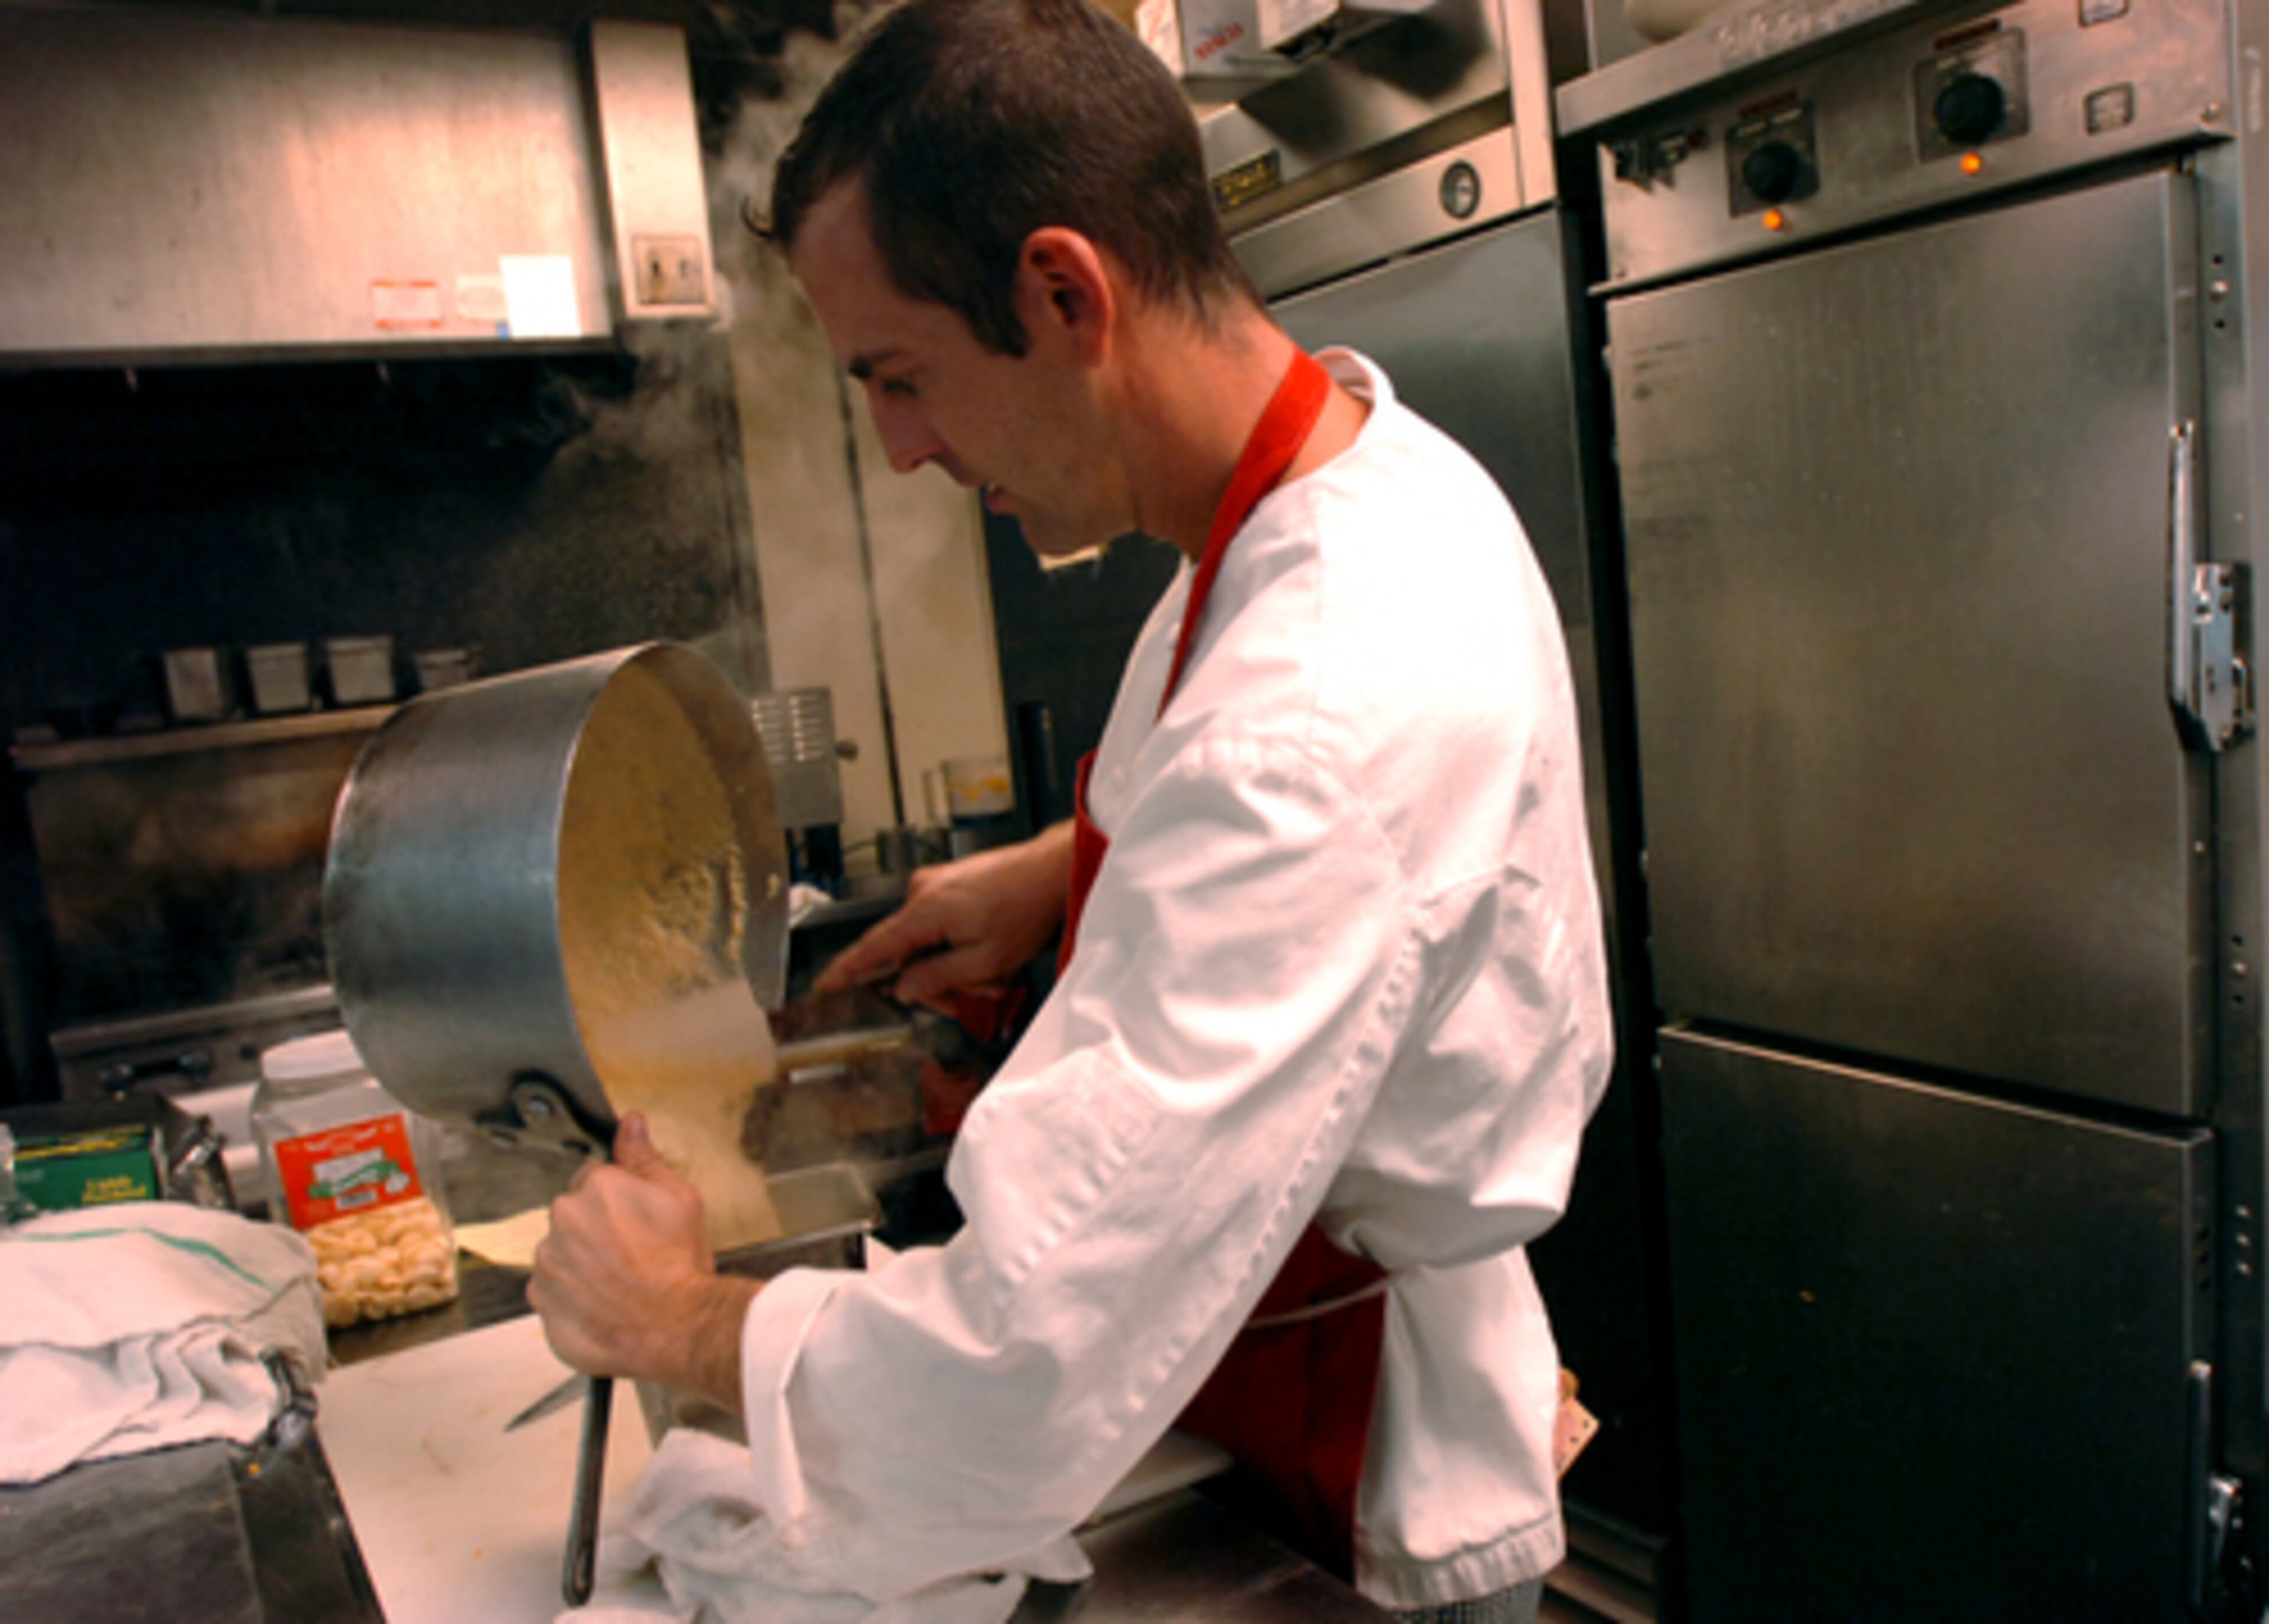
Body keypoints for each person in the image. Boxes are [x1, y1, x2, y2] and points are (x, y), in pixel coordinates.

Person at [528, 0, 1612, 1617]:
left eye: (901, 378)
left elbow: (1020, 1363)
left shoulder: (1309, 714)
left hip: (1363, 1494)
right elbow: (1335, 827)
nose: (901, 452)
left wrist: (677, 1321)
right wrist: (1066, 866)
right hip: (1290, 1388)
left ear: (1061, 291)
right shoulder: (1363, 479)